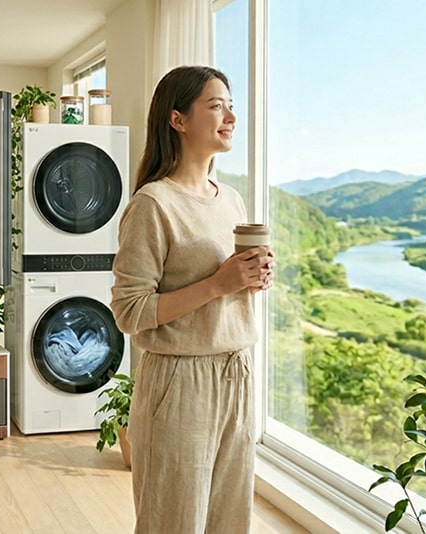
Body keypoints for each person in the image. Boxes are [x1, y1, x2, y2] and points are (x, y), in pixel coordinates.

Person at [110, 65, 274, 534]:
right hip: (180, 382)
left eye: (231, 106)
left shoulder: (232, 200)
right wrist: (218, 284)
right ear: (178, 119)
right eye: (216, 106)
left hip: (237, 372)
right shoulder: (153, 204)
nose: (231, 117)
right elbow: (130, 312)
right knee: (173, 522)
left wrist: (252, 277)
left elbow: (225, 285)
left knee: (229, 521)